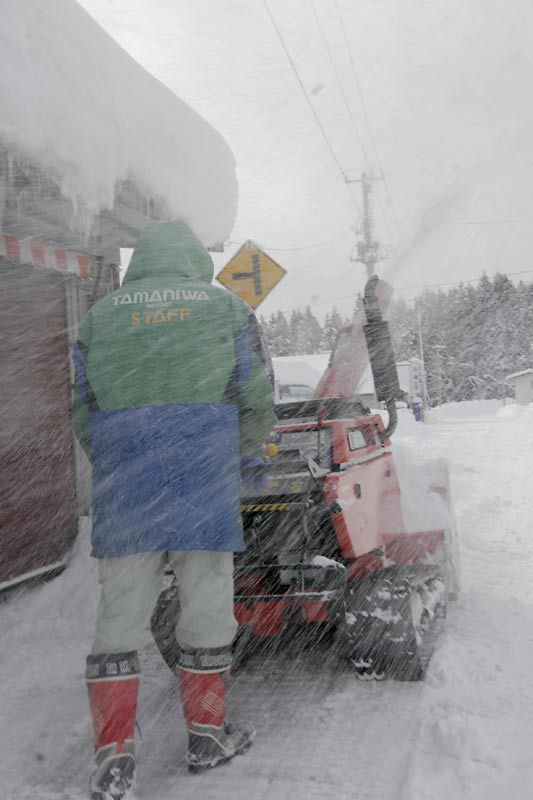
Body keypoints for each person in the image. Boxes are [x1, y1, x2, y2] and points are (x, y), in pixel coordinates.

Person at [73, 220, 276, 799]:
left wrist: (118, 463)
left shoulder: (99, 317)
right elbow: (255, 395)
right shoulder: (225, 308)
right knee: (207, 609)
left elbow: (84, 413)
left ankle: (113, 760)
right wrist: (241, 453)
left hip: (127, 490)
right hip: (203, 483)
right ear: (193, 260)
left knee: (119, 622)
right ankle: (207, 737)